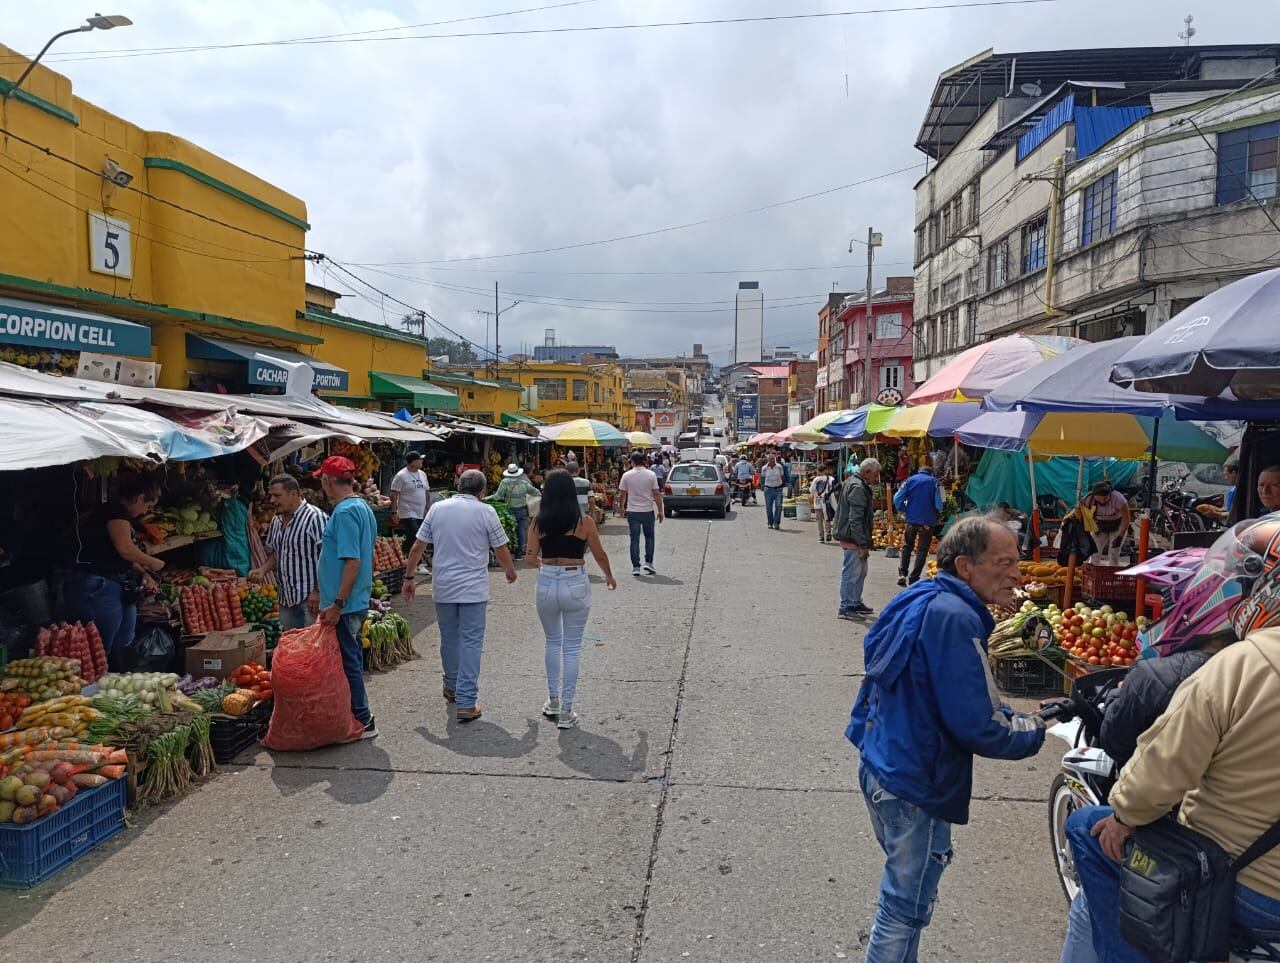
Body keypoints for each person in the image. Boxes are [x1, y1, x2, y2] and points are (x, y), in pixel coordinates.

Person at [1061, 513, 1280, 963]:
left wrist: (1125, 816)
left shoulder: (1246, 662)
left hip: (1245, 884)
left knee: (1087, 829)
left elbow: (1161, 768)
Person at [847, 515, 1046, 962]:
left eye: (1017, 561)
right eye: (1004, 562)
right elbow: (979, 725)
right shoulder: (955, 618)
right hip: (915, 782)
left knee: (905, 895)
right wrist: (1035, 730)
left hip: (883, 765)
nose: (1016, 573)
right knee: (903, 909)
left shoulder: (921, 596)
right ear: (965, 566)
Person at [403, 470, 517, 722]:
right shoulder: (486, 512)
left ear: (458, 485)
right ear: (482, 491)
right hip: (472, 590)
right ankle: (466, 701)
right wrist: (510, 571)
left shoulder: (437, 509)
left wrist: (409, 578)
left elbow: (417, 545)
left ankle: (451, 686)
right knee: (471, 642)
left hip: (443, 587)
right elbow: (501, 548)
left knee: (449, 638)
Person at [524, 469, 617, 729]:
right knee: (572, 647)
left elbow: (530, 559)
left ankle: (553, 700)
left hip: (546, 582)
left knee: (552, 642)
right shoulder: (584, 521)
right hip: (575, 580)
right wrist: (609, 575)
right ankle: (566, 710)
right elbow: (599, 554)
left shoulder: (537, 522)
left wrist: (546, 564)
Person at [68, 472, 165, 671]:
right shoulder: (115, 512)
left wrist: (143, 572)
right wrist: (153, 563)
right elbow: (124, 548)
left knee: (123, 642)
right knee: (101, 647)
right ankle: (98, 691)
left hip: (115, 584)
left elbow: (122, 556)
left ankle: (119, 685)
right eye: (147, 505)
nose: (145, 511)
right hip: (98, 585)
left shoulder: (118, 514)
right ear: (138, 498)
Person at [314, 456, 379, 739]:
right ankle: (353, 717)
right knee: (348, 660)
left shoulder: (345, 512)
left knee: (349, 661)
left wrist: (338, 603)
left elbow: (352, 561)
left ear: (328, 481)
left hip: (346, 604)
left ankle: (362, 720)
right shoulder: (361, 507)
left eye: (322, 479)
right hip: (352, 600)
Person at [249, 474, 328, 631]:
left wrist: (318, 591)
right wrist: (262, 570)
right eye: (271, 495)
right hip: (286, 599)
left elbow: (327, 557)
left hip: (310, 599)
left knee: (311, 648)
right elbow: (277, 554)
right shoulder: (276, 521)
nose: (272, 500)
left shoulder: (315, 518)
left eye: (277, 495)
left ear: (293, 494)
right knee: (291, 648)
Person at [833, 458, 880, 619]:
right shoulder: (858, 487)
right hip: (852, 537)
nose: (876, 479)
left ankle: (854, 601)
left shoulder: (854, 482)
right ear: (867, 472)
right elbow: (855, 519)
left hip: (853, 536)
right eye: (875, 475)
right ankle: (846, 606)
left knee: (860, 572)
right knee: (852, 573)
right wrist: (862, 543)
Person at [893, 462, 944, 586]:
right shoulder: (935, 482)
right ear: (930, 473)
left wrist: (904, 508)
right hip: (927, 522)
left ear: (919, 471)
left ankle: (902, 573)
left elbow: (897, 498)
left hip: (911, 520)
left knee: (907, 546)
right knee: (922, 551)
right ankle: (914, 579)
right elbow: (940, 503)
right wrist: (938, 512)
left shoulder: (909, 480)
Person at [617, 452, 663, 577]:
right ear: (644, 461)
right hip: (647, 511)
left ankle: (636, 566)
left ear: (632, 462)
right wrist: (660, 510)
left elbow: (622, 494)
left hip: (632, 511)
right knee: (649, 537)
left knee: (634, 539)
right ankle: (649, 562)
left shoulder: (627, 475)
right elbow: (657, 494)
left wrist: (621, 508)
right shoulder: (651, 474)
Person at [389, 452, 431, 573]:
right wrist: (394, 511)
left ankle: (402, 554)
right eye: (420, 460)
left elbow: (426, 492)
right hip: (407, 511)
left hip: (420, 512)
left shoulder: (422, 474)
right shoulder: (401, 475)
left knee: (413, 536)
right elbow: (393, 494)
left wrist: (427, 507)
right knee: (416, 535)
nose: (422, 462)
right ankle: (418, 564)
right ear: (413, 462)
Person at [494, 464, 539, 560]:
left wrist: (485, 498)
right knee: (521, 531)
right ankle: (518, 554)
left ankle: (509, 553)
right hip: (522, 510)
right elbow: (536, 492)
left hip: (509, 511)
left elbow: (497, 496)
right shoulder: (524, 483)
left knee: (509, 531)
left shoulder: (504, 482)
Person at [1082, 482, 1131, 565]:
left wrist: (1120, 536)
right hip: (1099, 525)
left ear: (1110, 495)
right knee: (1094, 552)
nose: (1102, 501)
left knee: (1113, 553)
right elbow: (1085, 516)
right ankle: (1094, 573)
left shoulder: (1118, 498)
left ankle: (1111, 573)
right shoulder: (1088, 499)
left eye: (1105, 498)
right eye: (1099, 499)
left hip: (1118, 524)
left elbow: (1126, 519)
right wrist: (1090, 528)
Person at [760, 453, 787, 530]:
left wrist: (783, 485)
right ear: (767, 460)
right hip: (768, 489)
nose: (772, 460)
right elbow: (762, 477)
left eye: (773, 459)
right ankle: (770, 522)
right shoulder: (764, 468)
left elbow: (782, 476)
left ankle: (776, 522)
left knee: (779, 506)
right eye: (770, 459)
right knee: (769, 507)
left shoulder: (779, 467)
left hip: (778, 489)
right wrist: (763, 487)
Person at [811, 463, 836, 543]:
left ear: (818, 471)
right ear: (825, 470)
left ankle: (821, 537)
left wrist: (816, 495)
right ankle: (828, 531)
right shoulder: (831, 479)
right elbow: (834, 489)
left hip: (818, 502)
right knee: (827, 518)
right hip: (827, 502)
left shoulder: (816, 479)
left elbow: (812, 490)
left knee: (819, 520)